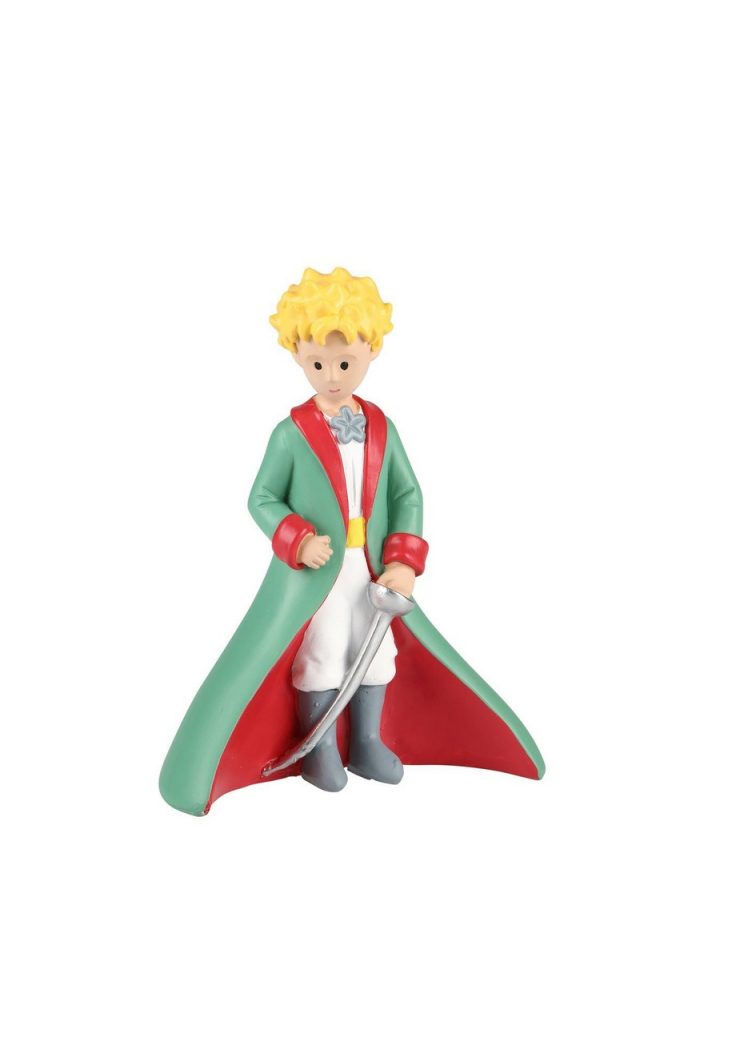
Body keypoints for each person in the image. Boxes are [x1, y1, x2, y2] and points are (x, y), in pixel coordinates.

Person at [159, 267, 544, 816]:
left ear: (371, 350)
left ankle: (365, 741)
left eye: (345, 363)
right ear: (297, 355)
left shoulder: (382, 427)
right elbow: (261, 498)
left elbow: (407, 493)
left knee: (376, 650)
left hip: (372, 567)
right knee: (325, 652)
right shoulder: (291, 434)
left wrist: (404, 560)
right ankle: (319, 752)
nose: (332, 376)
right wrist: (298, 540)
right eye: (318, 363)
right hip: (320, 574)